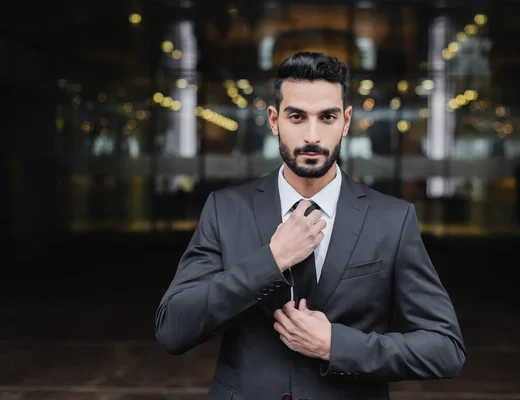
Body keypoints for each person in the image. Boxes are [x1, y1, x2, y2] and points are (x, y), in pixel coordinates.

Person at [155, 51, 466, 400]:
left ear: (346, 121)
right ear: (274, 120)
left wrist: (337, 345)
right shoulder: (226, 210)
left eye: (328, 117)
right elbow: (173, 329)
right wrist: (270, 260)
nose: (312, 136)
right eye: (297, 117)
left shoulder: (392, 220)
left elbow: (445, 349)